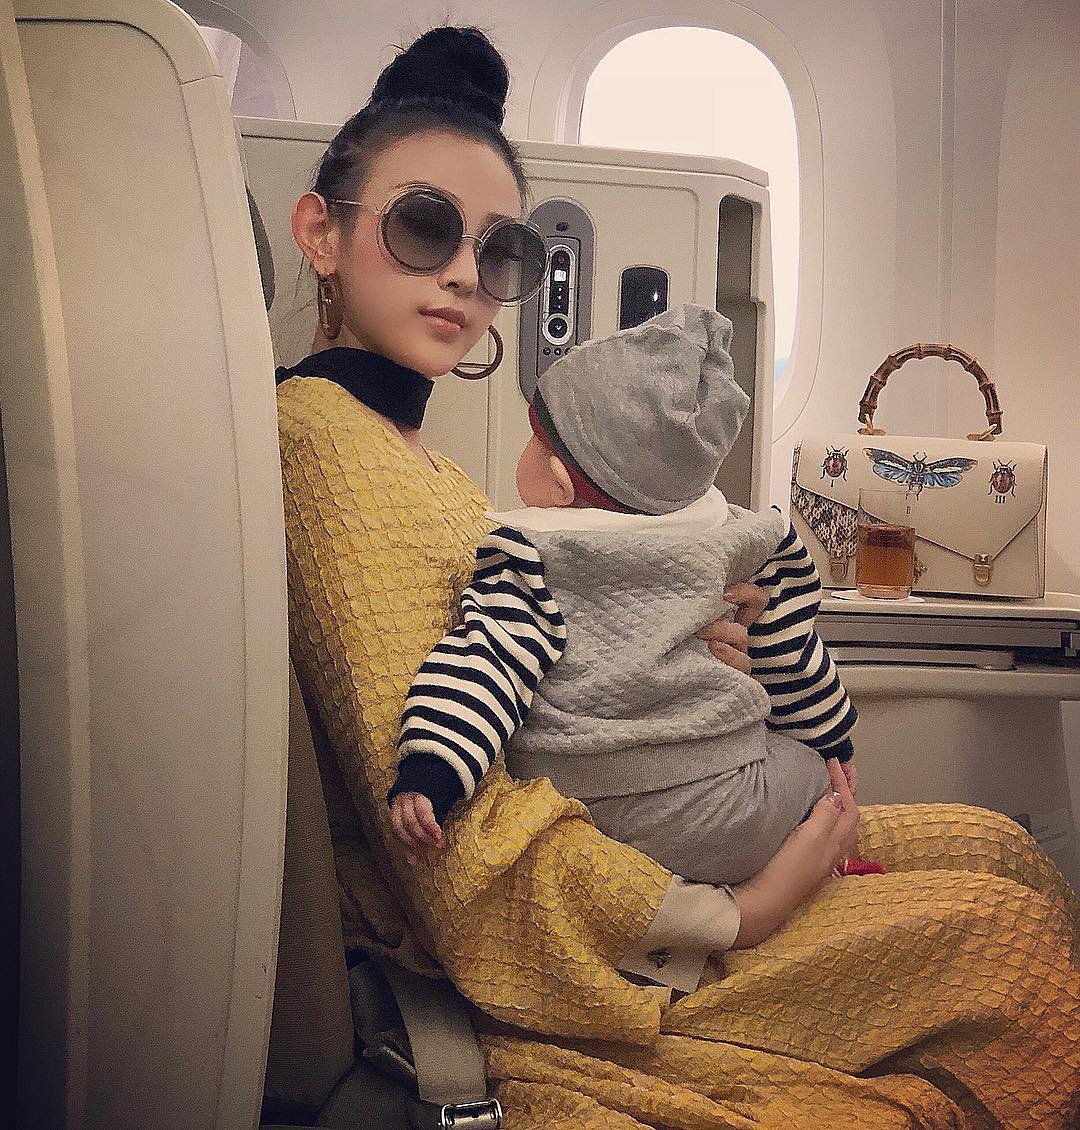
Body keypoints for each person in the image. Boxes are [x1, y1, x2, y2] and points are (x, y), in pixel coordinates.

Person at [277, 24, 1080, 1127]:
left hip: (623, 825)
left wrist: (696, 660)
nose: (465, 273)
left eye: (499, 251)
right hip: (566, 931)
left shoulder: (415, 455)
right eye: (423, 226)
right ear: (320, 231)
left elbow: (547, 665)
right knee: (1008, 940)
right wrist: (742, 912)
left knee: (1001, 846)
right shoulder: (325, 447)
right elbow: (456, 843)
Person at [388, 303, 874, 942]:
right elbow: (791, 652)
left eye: (533, 439)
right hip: (728, 807)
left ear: (558, 481)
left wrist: (432, 769)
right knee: (811, 770)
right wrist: (832, 743)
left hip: (587, 806)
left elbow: (484, 661)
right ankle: (822, 863)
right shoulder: (740, 539)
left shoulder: (536, 555)